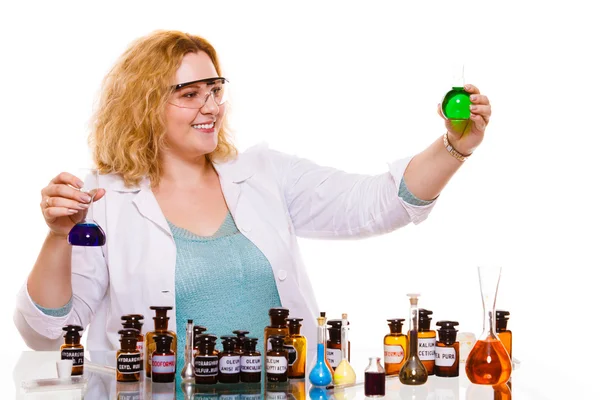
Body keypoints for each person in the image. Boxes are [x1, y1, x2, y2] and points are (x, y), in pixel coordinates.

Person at [14, 30, 491, 365]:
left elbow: (375, 202)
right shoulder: (104, 200)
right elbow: (47, 333)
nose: (211, 106)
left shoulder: (263, 174)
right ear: (142, 105)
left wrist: (455, 146)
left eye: (215, 89)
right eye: (189, 93)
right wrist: (59, 236)